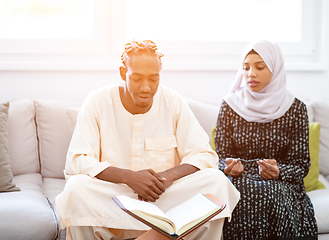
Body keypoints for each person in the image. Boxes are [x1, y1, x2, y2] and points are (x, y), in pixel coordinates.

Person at [55, 40, 240, 240]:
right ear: (122, 73)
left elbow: (203, 155)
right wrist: (129, 177)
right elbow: (79, 160)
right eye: (137, 78)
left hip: (163, 197)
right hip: (116, 197)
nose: (146, 87)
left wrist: (167, 177)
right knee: (77, 189)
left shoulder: (173, 101)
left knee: (216, 181)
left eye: (153, 79)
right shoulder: (98, 101)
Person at [215, 40, 318, 240]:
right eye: (245, 68)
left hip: (281, 183)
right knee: (241, 196)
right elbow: (219, 156)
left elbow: (301, 165)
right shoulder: (230, 105)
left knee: (270, 195)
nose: (250, 73)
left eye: (259, 67)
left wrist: (280, 171)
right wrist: (228, 167)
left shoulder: (296, 109)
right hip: (238, 181)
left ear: (275, 69)